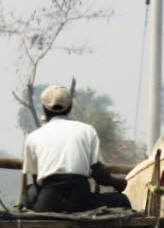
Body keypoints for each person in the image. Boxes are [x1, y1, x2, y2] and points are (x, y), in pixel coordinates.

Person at [22, 84, 131, 213]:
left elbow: (37, 181)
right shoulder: (87, 131)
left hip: (48, 204)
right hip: (80, 203)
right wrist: (117, 183)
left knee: (29, 192)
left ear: (44, 109)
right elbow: (99, 175)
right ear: (70, 107)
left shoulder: (33, 137)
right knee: (121, 200)